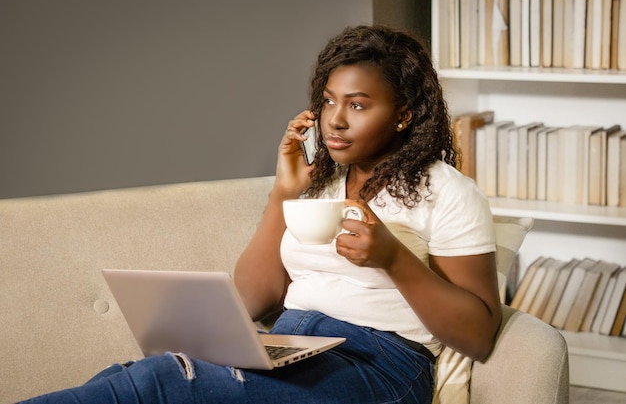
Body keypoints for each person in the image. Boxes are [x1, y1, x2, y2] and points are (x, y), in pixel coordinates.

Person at [18, 25, 501, 404]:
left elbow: (479, 335)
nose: (335, 118)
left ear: (403, 116)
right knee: (132, 376)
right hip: (295, 343)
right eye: (329, 100)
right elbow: (251, 300)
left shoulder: (448, 192)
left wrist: (395, 260)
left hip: (380, 368)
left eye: (358, 105)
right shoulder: (323, 180)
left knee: (161, 382)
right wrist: (283, 193)